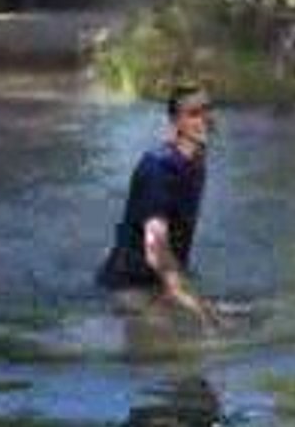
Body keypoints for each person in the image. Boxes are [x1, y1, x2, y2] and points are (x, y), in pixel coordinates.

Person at [96, 84, 225, 330]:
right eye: (194, 113)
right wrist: (191, 301)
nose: (205, 119)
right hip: (129, 283)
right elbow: (155, 250)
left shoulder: (196, 161)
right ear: (176, 122)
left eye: (208, 110)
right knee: (168, 341)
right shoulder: (159, 169)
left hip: (160, 279)